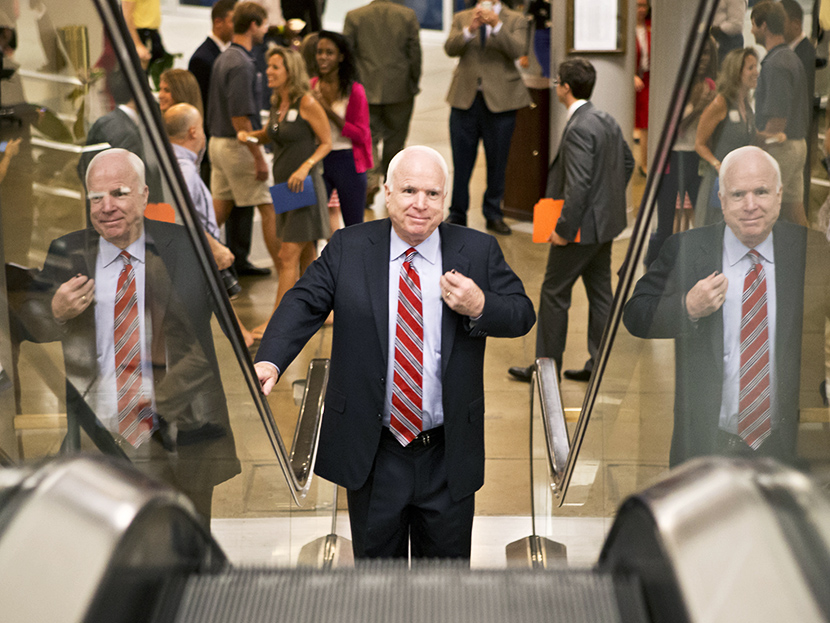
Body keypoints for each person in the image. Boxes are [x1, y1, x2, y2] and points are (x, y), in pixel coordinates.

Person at [253, 146, 535, 560]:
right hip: (373, 453)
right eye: (408, 191)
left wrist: (480, 305)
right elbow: (303, 303)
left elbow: (522, 313)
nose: (420, 204)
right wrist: (270, 359)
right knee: (376, 590)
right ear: (387, 194)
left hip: (447, 454)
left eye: (433, 194)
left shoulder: (477, 250)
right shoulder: (349, 247)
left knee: (444, 589)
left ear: (445, 198)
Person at [24, 148, 241, 522]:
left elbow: (218, 327)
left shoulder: (186, 247)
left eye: (119, 193)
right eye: (96, 197)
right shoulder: (68, 252)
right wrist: (55, 310)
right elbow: (31, 327)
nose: (106, 206)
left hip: (182, 426)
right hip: (100, 431)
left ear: (144, 194)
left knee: (186, 543)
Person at [623, 146, 830, 468]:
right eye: (737, 194)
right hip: (707, 446)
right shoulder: (687, 249)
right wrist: (687, 306)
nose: (751, 206)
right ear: (721, 199)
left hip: (787, 449)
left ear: (779, 195)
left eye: (761, 192)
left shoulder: (808, 249)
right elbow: (636, 315)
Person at [509, 58, 633, 384]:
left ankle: (545, 369)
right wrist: (606, 203)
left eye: (557, 82)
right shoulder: (605, 118)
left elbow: (577, 187)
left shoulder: (578, 127)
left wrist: (564, 229)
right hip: (604, 226)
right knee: (600, 293)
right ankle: (599, 363)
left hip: (580, 230)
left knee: (553, 293)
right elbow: (628, 161)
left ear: (565, 87)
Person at [238, 46, 331, 337]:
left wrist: (305, 167)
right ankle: (325, 309)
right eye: (269, 67)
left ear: (290, 71)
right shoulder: (279, 101)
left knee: (288, 254)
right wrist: (251, 136)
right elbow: (270, 133)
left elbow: (326, 142)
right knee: (307, 257)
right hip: (284, 187)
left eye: (275, 67)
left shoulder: (307, 103)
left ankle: (279, 322)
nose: (269, 72)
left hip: (302, 185)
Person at [164, 103, 255, 348]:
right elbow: (180, 219)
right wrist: (214, 247)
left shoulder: (171, 164)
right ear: (194, 132)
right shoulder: (182, 170)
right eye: (202, 129)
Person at [207, 2, 282, 281]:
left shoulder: (225, 57)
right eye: (263, 24)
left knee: (218, 210)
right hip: (237, 146)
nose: (265, 30)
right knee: (269, 205)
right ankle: (284, 268)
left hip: (218, 143)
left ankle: (193, 256)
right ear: (253, 25)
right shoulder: (241, 63)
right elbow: (240, 118)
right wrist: (258, 155)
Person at [444, 0, 531, 236]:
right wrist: (469, 30)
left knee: (497, 161)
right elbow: (450, 48)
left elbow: (517, 50)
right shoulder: (462, 17)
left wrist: (497, 25)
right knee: (461, 162)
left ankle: (493, 213)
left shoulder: (516, 19)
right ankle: (457, 212)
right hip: (465, 99)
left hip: (502, 101)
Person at [646, 36, 717, 265]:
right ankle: (654, 270)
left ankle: (698, 268)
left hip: (698, 158)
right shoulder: (675, 85)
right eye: (699, 53)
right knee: (666, 224)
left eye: (707, 53)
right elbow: (671, 129)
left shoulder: (710, 85)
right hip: (672, 157)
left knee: (702, 218)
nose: (703, 59)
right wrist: (699, 109)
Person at [344, 0, 422, 206]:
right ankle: (393, 186)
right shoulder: (407, 16)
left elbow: (347, 55)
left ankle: (370, 181)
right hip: (400, 89)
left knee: (366, 138)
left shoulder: (355, 16)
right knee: (396, 140)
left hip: (365, 89)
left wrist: (350, 85)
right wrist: (413, 81)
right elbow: (415, 54)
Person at [750, 0, 809, 227]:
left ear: (763, 26)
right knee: (795, 212)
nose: (752, 30)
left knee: (763, 215)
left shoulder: (775, 64)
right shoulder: (791, 58)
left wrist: (756, 143)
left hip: (781, 147)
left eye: (754, 25)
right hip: (797, 146)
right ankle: (809, 260)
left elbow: (777, 119)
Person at [311, 31, 372, 229]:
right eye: (320, 52)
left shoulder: (354, 91)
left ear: (341, 57)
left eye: (329, 53)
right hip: (318, 160)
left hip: (347, 162)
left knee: (354, 226)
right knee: (309, 223)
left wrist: (327, 111)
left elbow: (361, 134)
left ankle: (353, 260)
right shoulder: (312, 86)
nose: (323, 57)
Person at [695, 47, 758, 227]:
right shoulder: (720, 102)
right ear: (736, 72)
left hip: (740, 183)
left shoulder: (745, 103)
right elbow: (699, 143)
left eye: (756, 67)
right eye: (750, 68)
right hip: (718, 183)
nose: (756, 72)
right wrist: (717, 164)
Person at [634, 0, 650, 176]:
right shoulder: (626, 29)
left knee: (646, 122)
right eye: (637, 5)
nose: (641, 10)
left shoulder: (651, 27)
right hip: (631, 77)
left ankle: (644, 163)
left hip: (647, 78)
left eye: (644, 6)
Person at [710, 0, 746, 65]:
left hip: (728, 42)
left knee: (727, 73)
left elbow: (736, 24)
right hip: (714, 40)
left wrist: (713, 30)